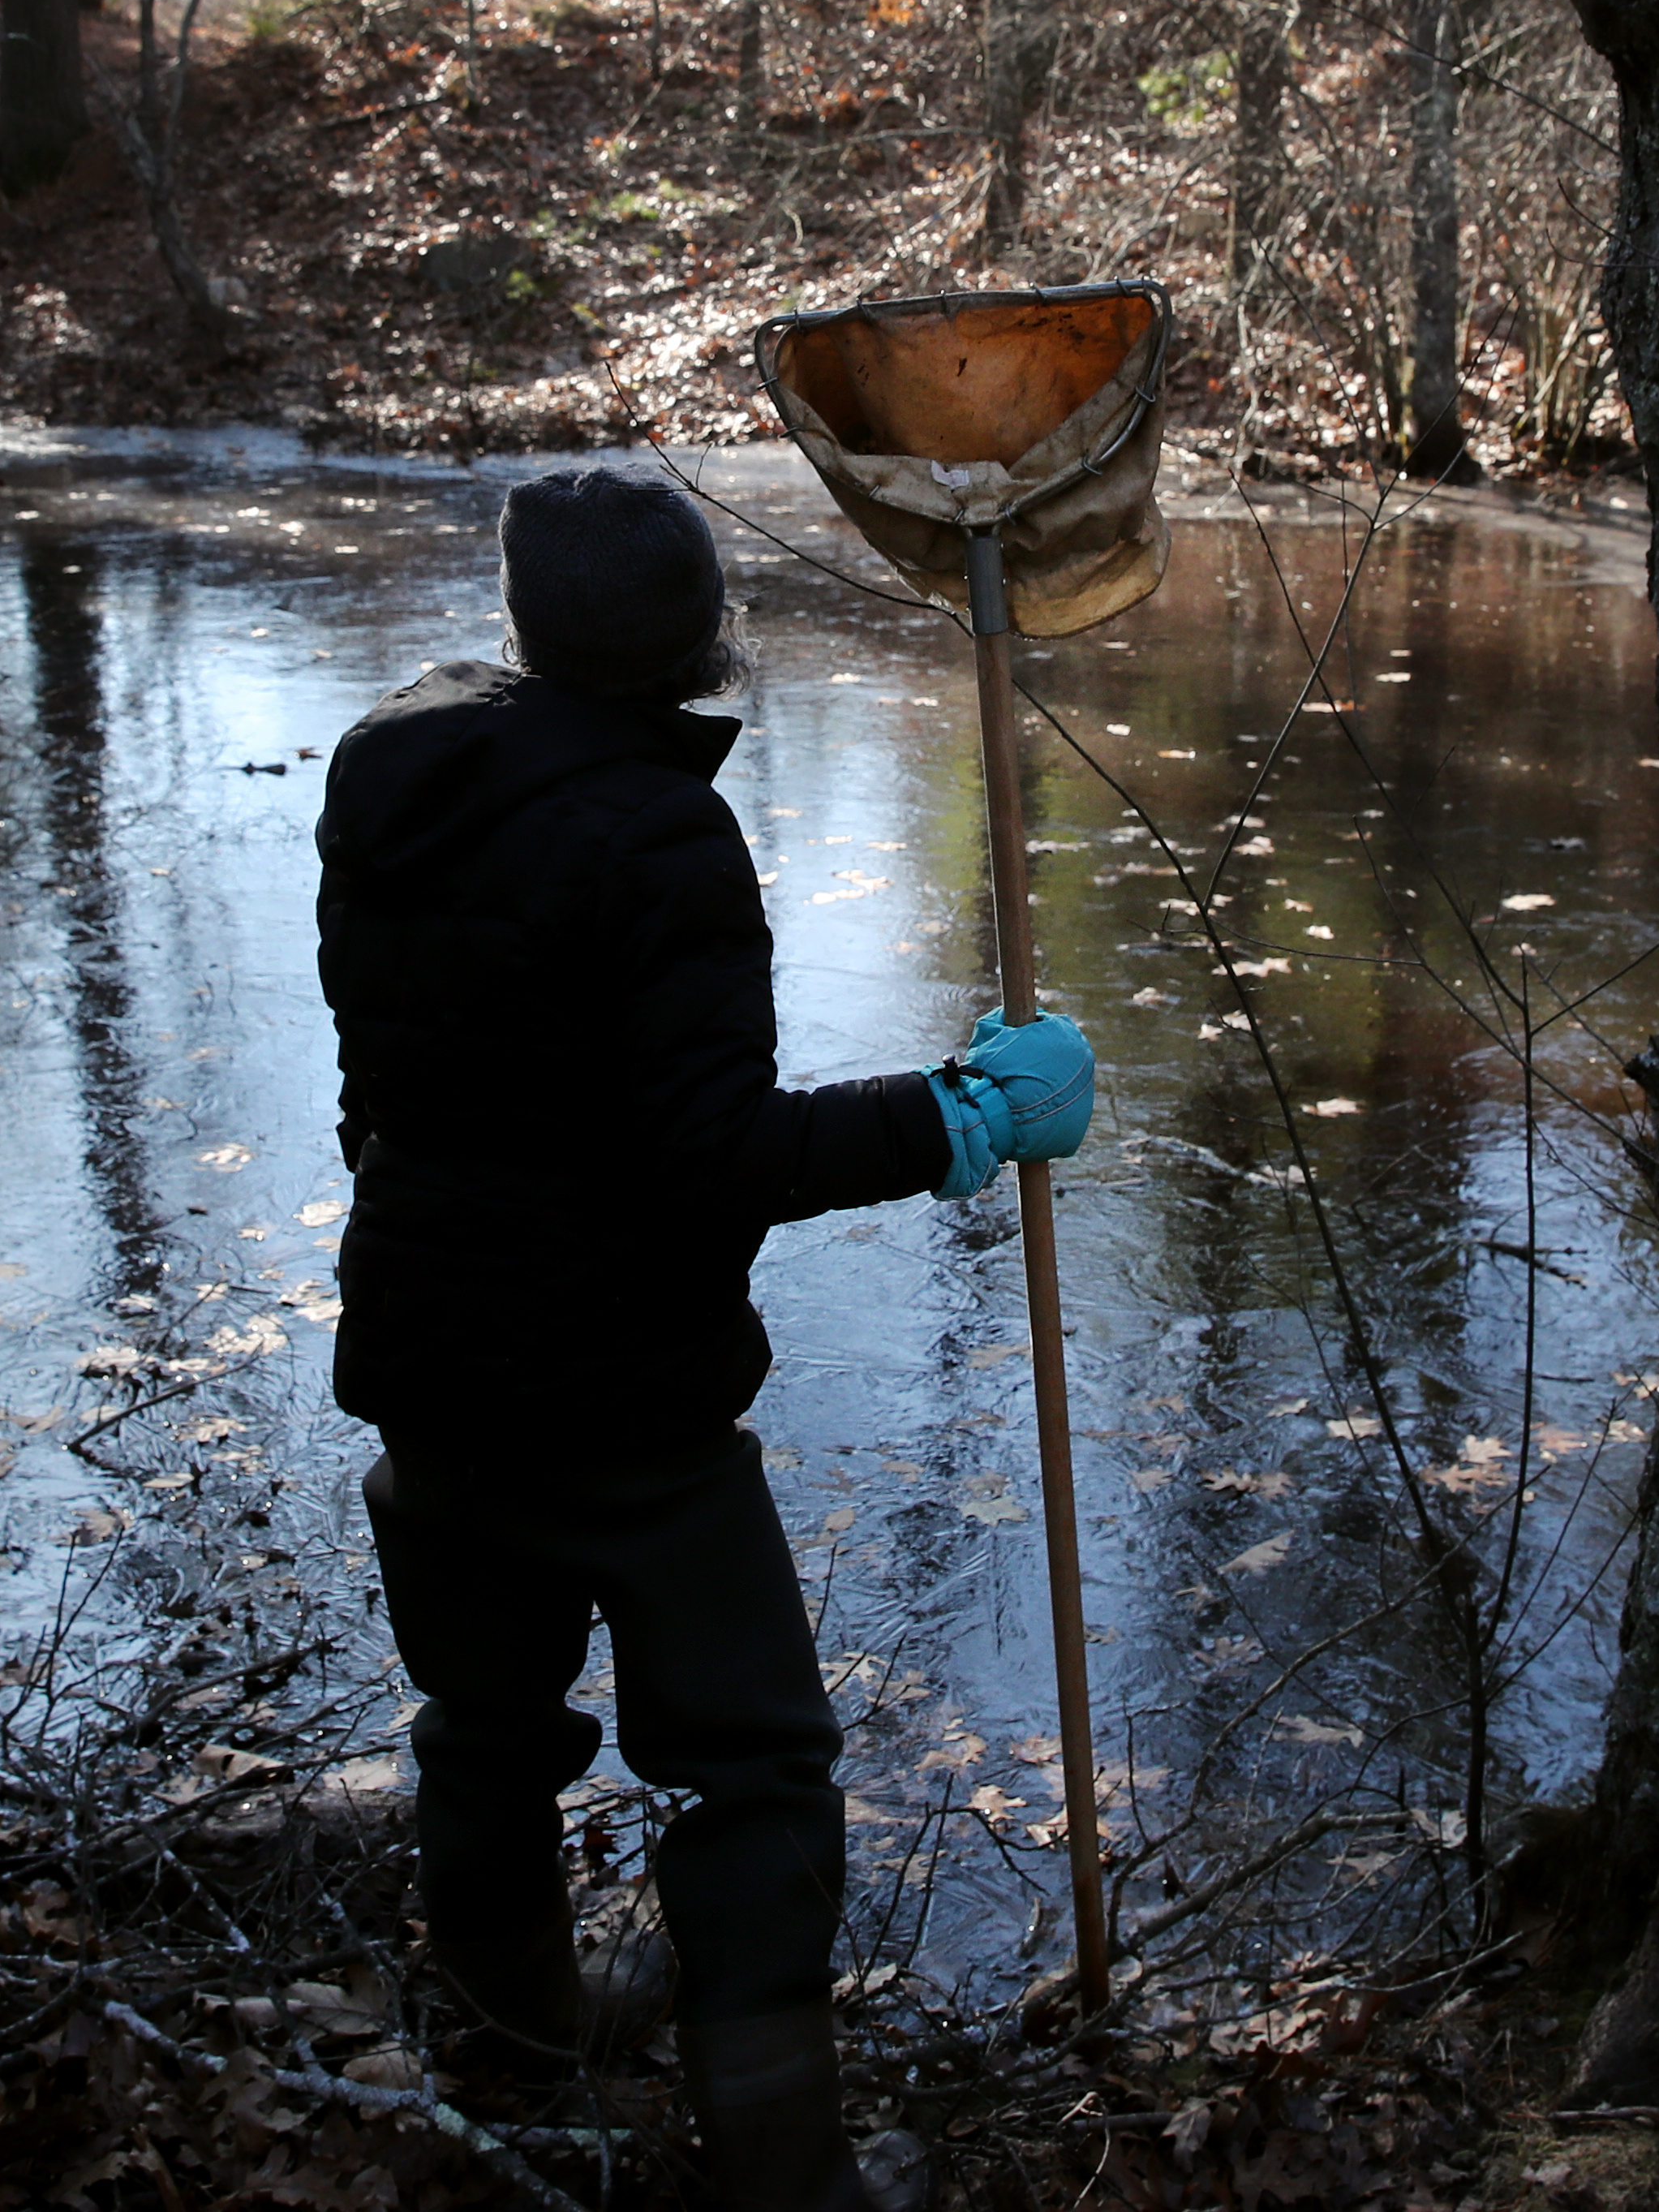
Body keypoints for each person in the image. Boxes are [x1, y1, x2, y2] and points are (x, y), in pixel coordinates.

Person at [313, 465, 1095, 2212]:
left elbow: (378, 1094)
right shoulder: (662, 834)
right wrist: (965, 1115)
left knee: (483, 1719)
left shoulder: (391, 775)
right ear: (698, 643)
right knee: (752, 1768)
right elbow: (718, 1161)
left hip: (428, 1365)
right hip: (624, 1407)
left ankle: (511, 2054)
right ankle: (783, 2168)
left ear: (527, 618)